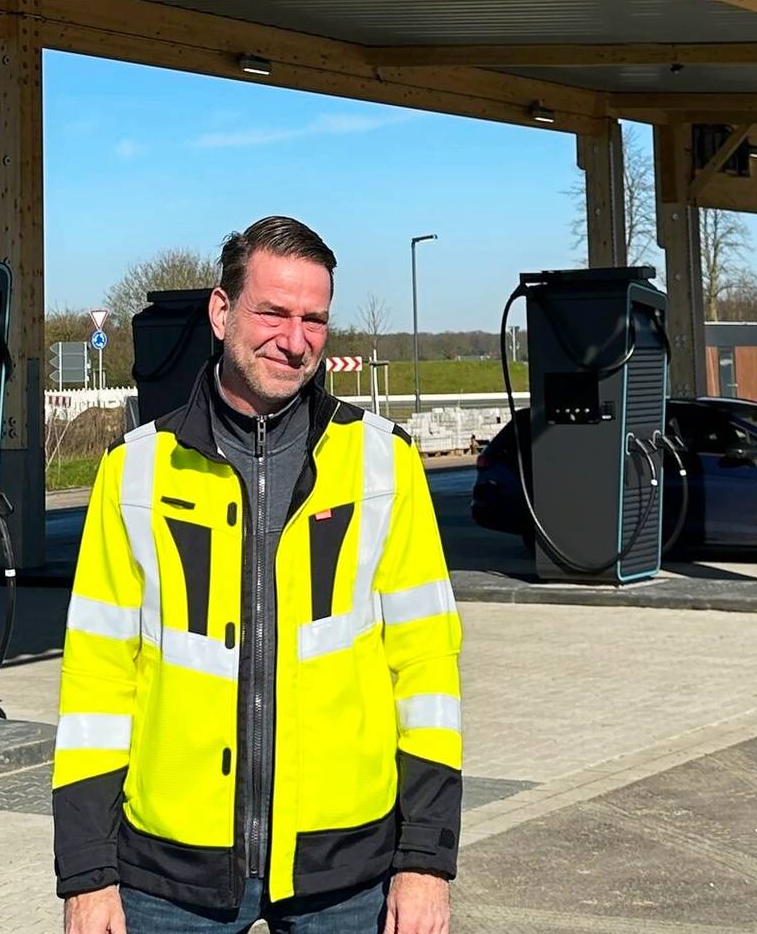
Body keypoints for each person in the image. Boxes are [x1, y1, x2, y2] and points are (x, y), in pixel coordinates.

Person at [54, 217, 462, 934]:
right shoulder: (134, 473)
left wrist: (425, 860)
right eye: (273, 311)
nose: (295, 338)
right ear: (221, 312)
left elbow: (427, 674)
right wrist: (87, 874)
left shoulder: (384, 466)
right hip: (166, 875)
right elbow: (96, 680)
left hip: (348, 871)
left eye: (314, 319)